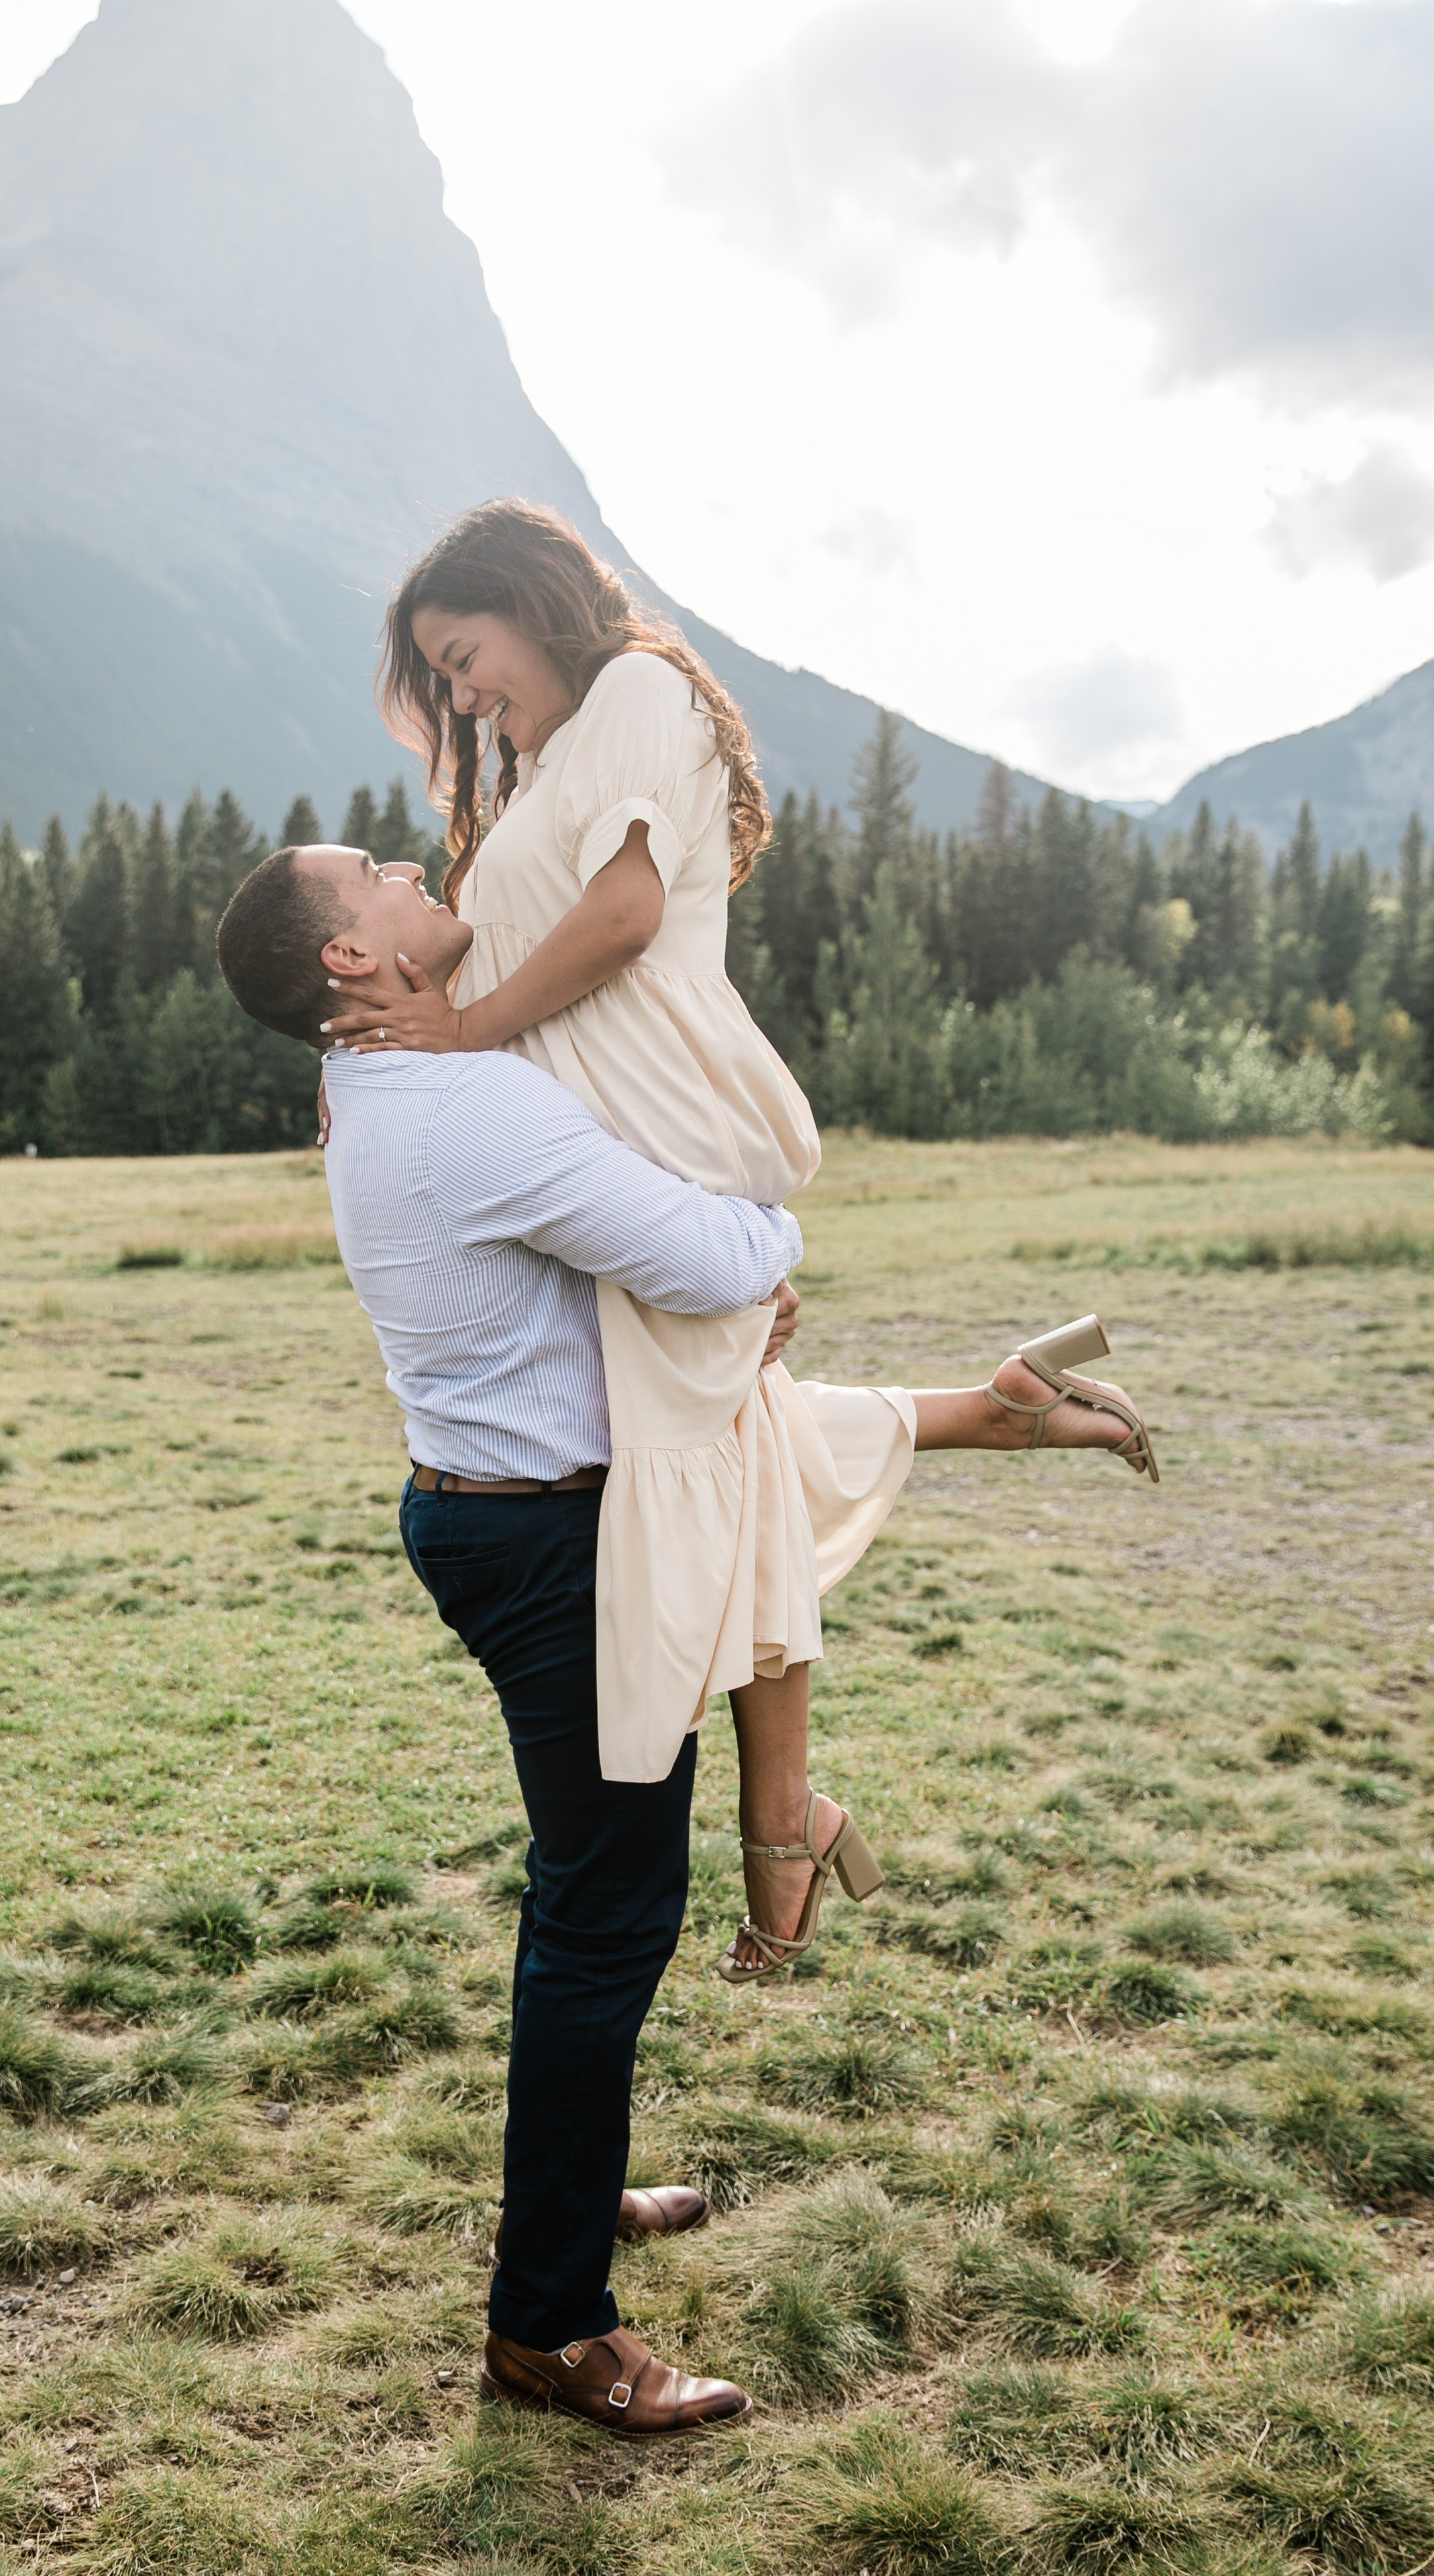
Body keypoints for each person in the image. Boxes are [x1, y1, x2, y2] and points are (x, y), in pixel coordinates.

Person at [216, 840, 1154, 2434]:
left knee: (593, 1905)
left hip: (509, 1514)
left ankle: (561, 2215)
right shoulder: (461, 1103)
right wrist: (752, 1266)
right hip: (551, 1543)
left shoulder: (387, 1091)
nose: (400, 859)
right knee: (602, 1919)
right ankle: (550, 2328)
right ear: (347, 964)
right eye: (365, 871)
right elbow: (736, 1248)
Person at [319, 500, 1158, 1978]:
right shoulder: (542, 762)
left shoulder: (635, 691)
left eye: (463, 657)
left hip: (663, 1130)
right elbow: (488, 955)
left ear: (530, 603)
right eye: (440, 678)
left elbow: (629, 913)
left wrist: (453, 1037)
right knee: (721, 1447)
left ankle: (783, 1828)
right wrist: (371, 1075)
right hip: (607, 1149)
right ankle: (791, 1819)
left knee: (687, 1476)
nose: (458, 696)